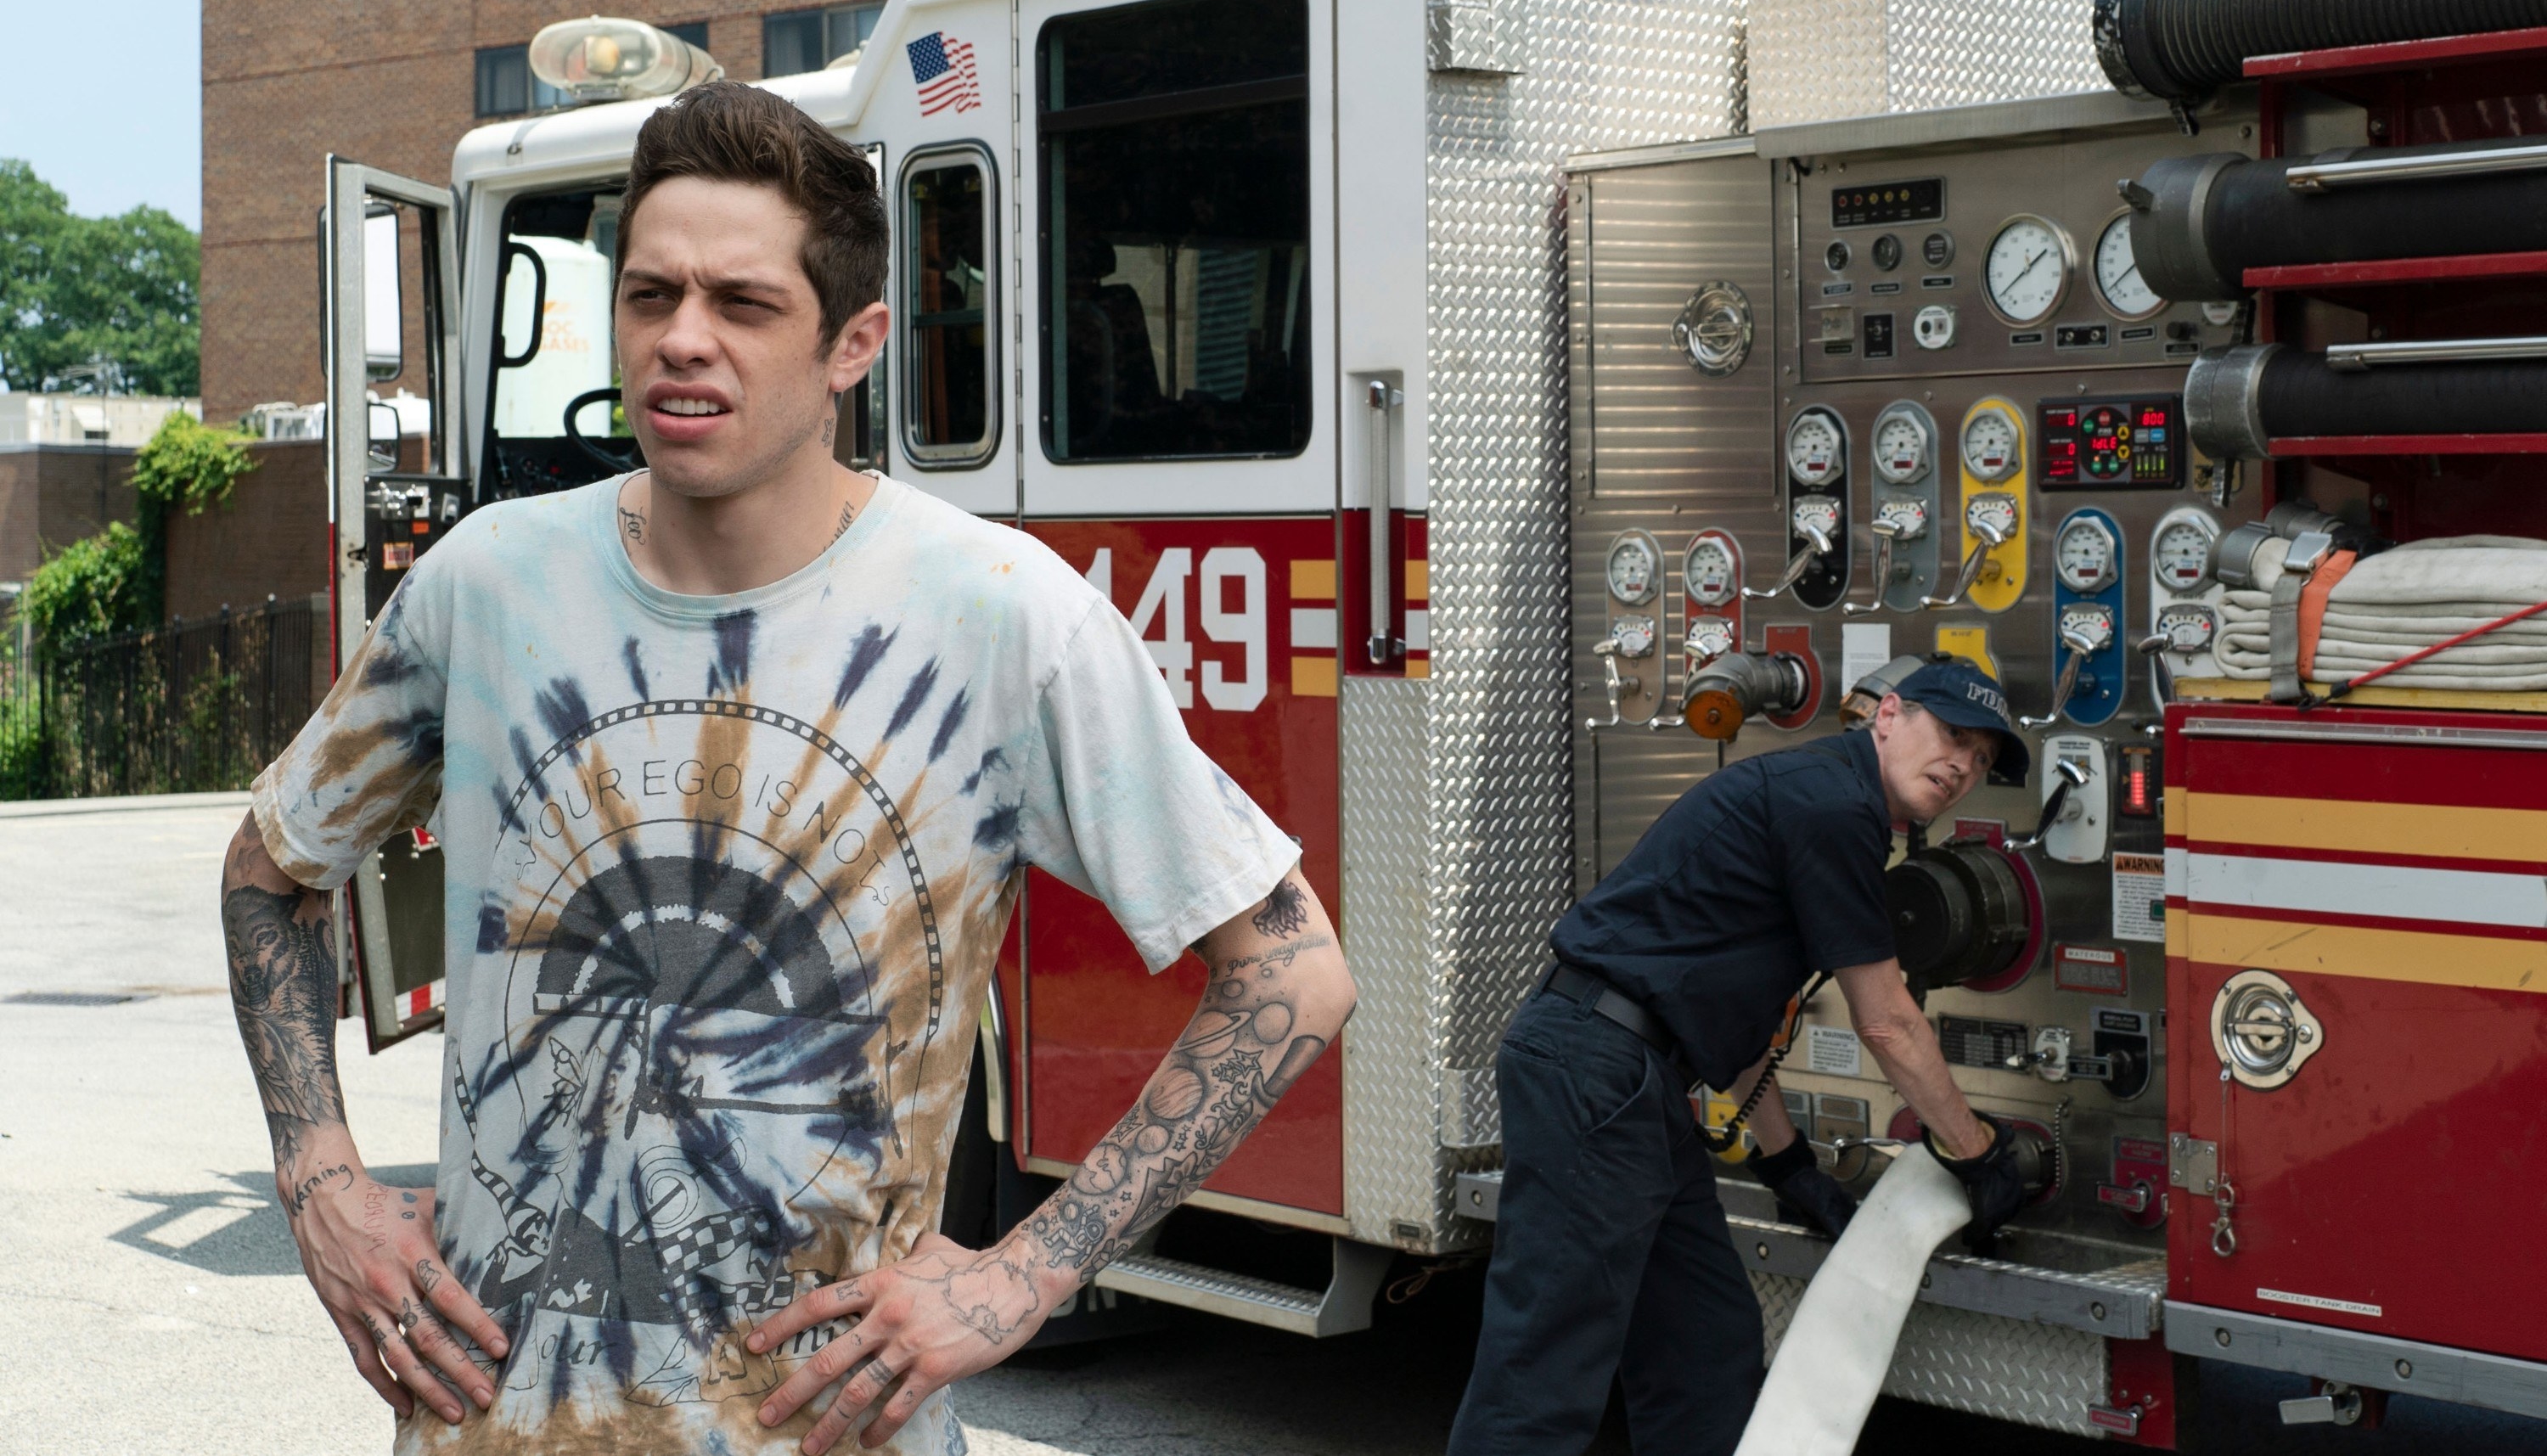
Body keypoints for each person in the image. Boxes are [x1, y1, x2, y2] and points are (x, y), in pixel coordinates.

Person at [219, 81, 1356, 1456]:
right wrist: (323, 1178)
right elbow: (269, 871)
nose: (682, 340)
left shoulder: (1000, 615)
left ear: (854, 344)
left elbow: (1292, 966)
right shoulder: (485, 587)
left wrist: (1030, 1269)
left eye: (743, 305)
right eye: (649, 295)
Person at [1446, 657, 2034, 1456]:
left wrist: (1788, 1167)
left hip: (1638, 1081)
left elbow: (1726, 1016)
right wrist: (1975, 1152)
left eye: (1983, 760)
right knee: (1545, 1366)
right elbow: (1888, 1020)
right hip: (1597, 1071)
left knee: (1704, 1342)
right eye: (1953, 734)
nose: (1964, 764)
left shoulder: (1830, 797)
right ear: (1888, 714)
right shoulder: (1834, 805)